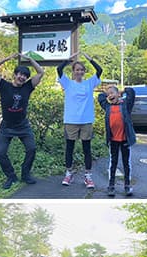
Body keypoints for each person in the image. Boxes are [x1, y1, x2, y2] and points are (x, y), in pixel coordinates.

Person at [0, 56, 42, 188]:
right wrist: (5, 59)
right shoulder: (4, 85)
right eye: (20, 74)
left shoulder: (28, 87)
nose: (22, 77)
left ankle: (25, 174)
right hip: (7, 126)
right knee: (1, 153)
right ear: (15, 75)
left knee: (31, 149)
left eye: (25, 76)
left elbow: (40, 72)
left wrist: (30, 60)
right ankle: (11, 177)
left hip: (23, 125)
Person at [56, 54, 105, 188]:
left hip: (86, 120)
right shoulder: (67, 83)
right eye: (77, 69)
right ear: (73, 71)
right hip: (71, 120)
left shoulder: (89, 82)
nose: (79, 72)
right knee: (69, 148)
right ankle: (68, 173)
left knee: (86, 149)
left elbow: (99, 70)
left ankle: (88, 176)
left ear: (84, 72)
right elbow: (59, 70)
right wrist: (68, 59)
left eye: (81, 69)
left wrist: (90, 59)